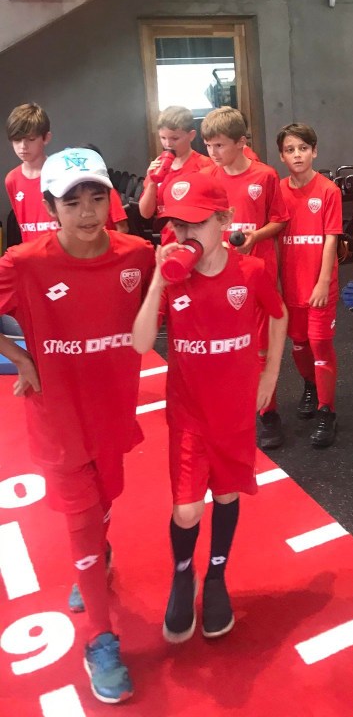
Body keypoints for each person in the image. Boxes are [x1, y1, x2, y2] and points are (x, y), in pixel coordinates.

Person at [0, 148, 154, 704]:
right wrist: (21, 360)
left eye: (96, 198)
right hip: (58, 417)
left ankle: (97, 560)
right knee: (83, 520)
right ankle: (100, 640)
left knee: (105, 499)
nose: (87, 212)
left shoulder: (137, 255)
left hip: (113, 409)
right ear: (50, 208)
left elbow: (173, 297)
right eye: (72, 202)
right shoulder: (25, 262)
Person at [132, 170, 287, 644]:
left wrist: (270, 374)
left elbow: (278, 315)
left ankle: (216, 576)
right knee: (186, 510)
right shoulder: (173, 279)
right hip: (189, 414)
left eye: (196, 223)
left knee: (225, 495)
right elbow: (140, 343)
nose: (185, 235)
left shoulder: (250, 272)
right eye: (177, 225)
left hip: (235, 412)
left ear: (225, 219)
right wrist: (158, 283)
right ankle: (184, 574)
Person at [201, 106, 289, 449]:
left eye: (220, 145)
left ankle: (268, 412)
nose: (213, 152)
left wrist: (256, 236)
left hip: (258, 272)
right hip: (219, 273)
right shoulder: (207, 178)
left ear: (241, 143)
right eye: (208, 145)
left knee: (261, 346)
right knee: (225, 345)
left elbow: (279, 220)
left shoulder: (265, 176)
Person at [277, 122, 343, 448]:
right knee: (299, 344)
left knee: (320, 345)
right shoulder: (277, 191)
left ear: (314, 151)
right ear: (282, 156)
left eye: (303, 148)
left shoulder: (328, 191)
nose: (297, 155)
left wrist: (322, 282)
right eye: (290, 150)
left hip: (319, 287)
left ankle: (327, 411)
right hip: (290, 286)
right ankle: (310, 385)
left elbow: (331, 239)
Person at [138, 106, 211, 237]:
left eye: (175, 138)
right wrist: (152, 182)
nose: (168, 144)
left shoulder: (205, 166)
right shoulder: (158, 166)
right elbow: (145, 213)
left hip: (197, 239)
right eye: (163, 138)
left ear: (191, 136)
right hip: (168, 240)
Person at [4, 102, 58, 242]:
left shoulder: (60, 173)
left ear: (46, 138)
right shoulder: (12, 179)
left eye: (31, 139)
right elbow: (22, 224)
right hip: (31, 252)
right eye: (17, 140)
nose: (23, 146)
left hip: (61, 251)